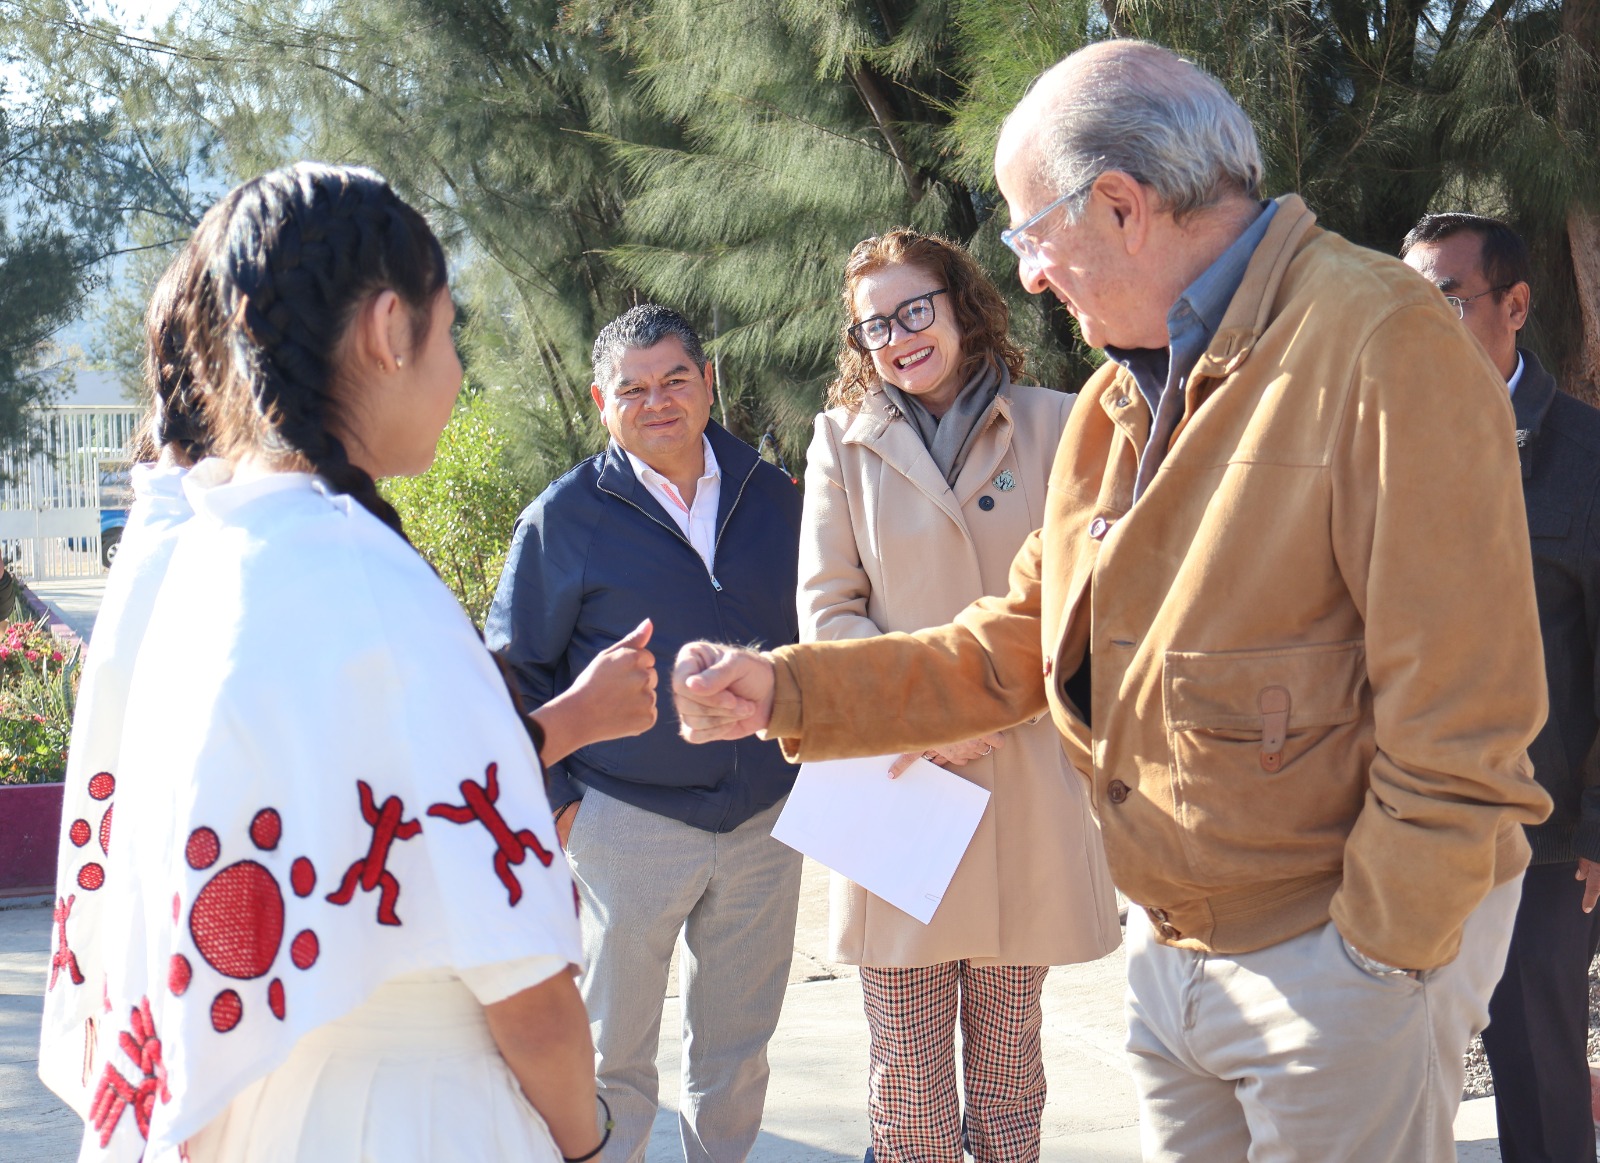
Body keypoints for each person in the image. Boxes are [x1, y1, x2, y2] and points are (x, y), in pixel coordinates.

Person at [673, 40, 1554, 1163]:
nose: (1033, 276)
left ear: (1124, 207)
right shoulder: (1112, 401)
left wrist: (1373, 961)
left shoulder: (1384, 342)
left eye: (1032, 235)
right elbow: (1015, 642)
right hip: (1174, 953)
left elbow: (1467, 717)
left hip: (1334, 964)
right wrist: (784, 689)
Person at [59, 162, 630, 1163]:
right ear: (386, 329)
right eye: (449, 332)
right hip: (417, 1112)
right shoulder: (373, 590)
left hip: (256, 1106)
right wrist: (590, 1142)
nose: (457, 369)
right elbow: (527, 989)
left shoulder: (208, 551)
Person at [800, 228, 1119, 1163]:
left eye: (914, 311)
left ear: (961, 305)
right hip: (896, 786)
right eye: (875, 327)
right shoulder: (841, 443)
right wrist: (926, 715)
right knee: (908, 1085)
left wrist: (995, 700)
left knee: (1012, 1076)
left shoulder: (1058, 424)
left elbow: (1090, 600)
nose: (899, 338)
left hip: (1023, 774)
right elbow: (828, 612)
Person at [486, 303, 804, 1163]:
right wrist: (563, 805)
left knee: (736, 1055)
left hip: (764, 825)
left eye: (674, 379)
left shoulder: (773, 495)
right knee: (612, 1062)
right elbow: (509, 671)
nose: (656, 401)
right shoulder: (564, 517)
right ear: (601, 401)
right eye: (632, 389)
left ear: (708, 383)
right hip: (627, 821)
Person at [1404, 212, 1600, 1163]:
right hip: (1404, 824)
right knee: (1402, 1085)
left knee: (1538, 1077)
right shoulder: (1382, 445)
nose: (1422, 322)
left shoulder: (1586, 458)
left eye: (1446, 298)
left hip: (1546, 836)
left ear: (1515, 305)